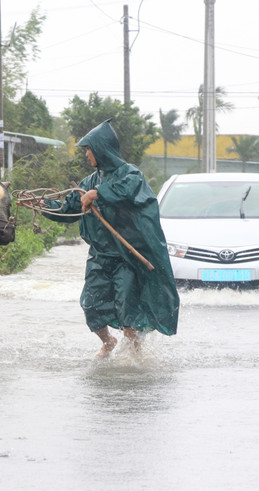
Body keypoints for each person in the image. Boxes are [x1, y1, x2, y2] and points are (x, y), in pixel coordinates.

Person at [41, 119, 179, 358]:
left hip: (125, 256)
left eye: (89, 149)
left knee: (127, 306)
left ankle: (134, 354)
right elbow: (68, 208)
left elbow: (126, 191)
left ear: (102, 148)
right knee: (91, 305)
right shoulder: (89, 181)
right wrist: (43, 206)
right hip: (100, 256)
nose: (87, 155)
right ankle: (108, 342)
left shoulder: (131, 174)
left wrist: (97, 194)